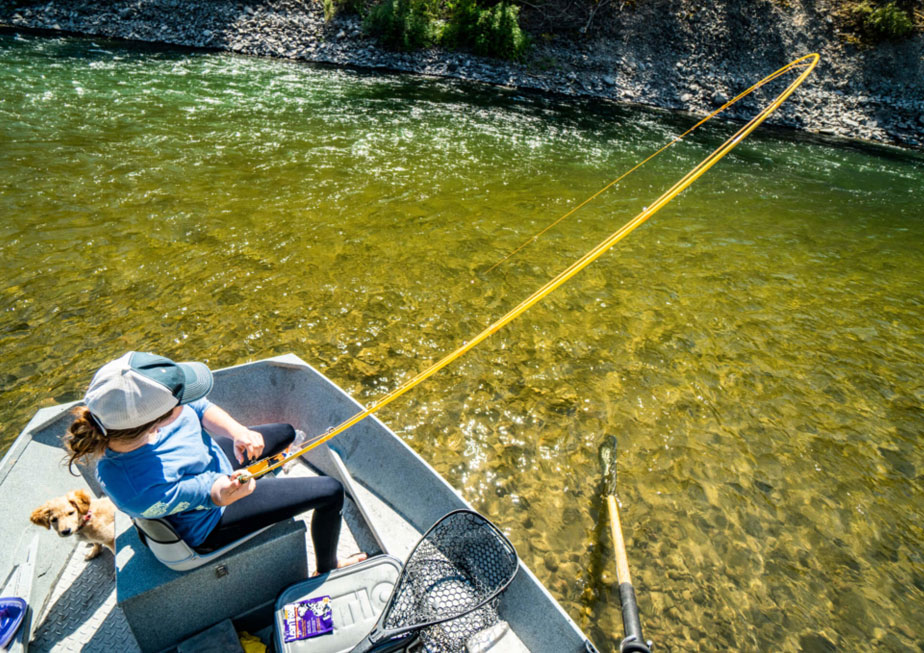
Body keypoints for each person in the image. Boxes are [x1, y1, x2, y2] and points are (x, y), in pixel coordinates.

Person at [64, 351, 364, 573]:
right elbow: (212, 492)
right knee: (330, 491)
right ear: (153, 424)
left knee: (285, 433)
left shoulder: (137, 413)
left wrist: (238, 432)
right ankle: (327, 565)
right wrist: (231, 490)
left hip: (210, 464)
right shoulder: (134, 488)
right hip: (210, 520)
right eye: (176, 404)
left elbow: (199, 404)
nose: (183, 403)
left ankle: (270, 473)